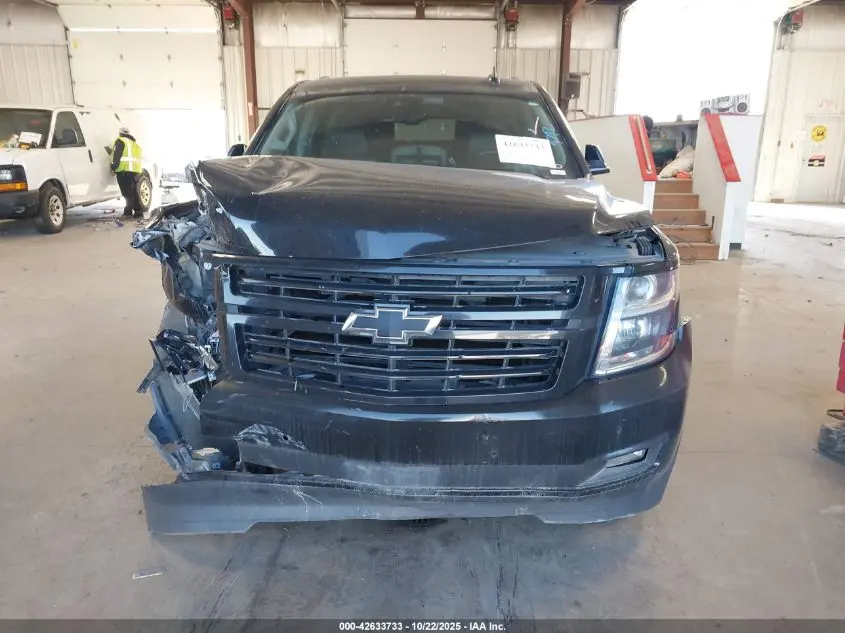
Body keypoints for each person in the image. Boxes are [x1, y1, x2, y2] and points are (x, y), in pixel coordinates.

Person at [110, 126, 143, 218]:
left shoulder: (120, 141)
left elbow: (117, 156)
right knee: (133, 192)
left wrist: (113, 168)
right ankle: (138, 212)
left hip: (124, 170)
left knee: (126, 193)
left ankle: (128, 212)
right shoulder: (134, 143)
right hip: (135, 170)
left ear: (120, 133)